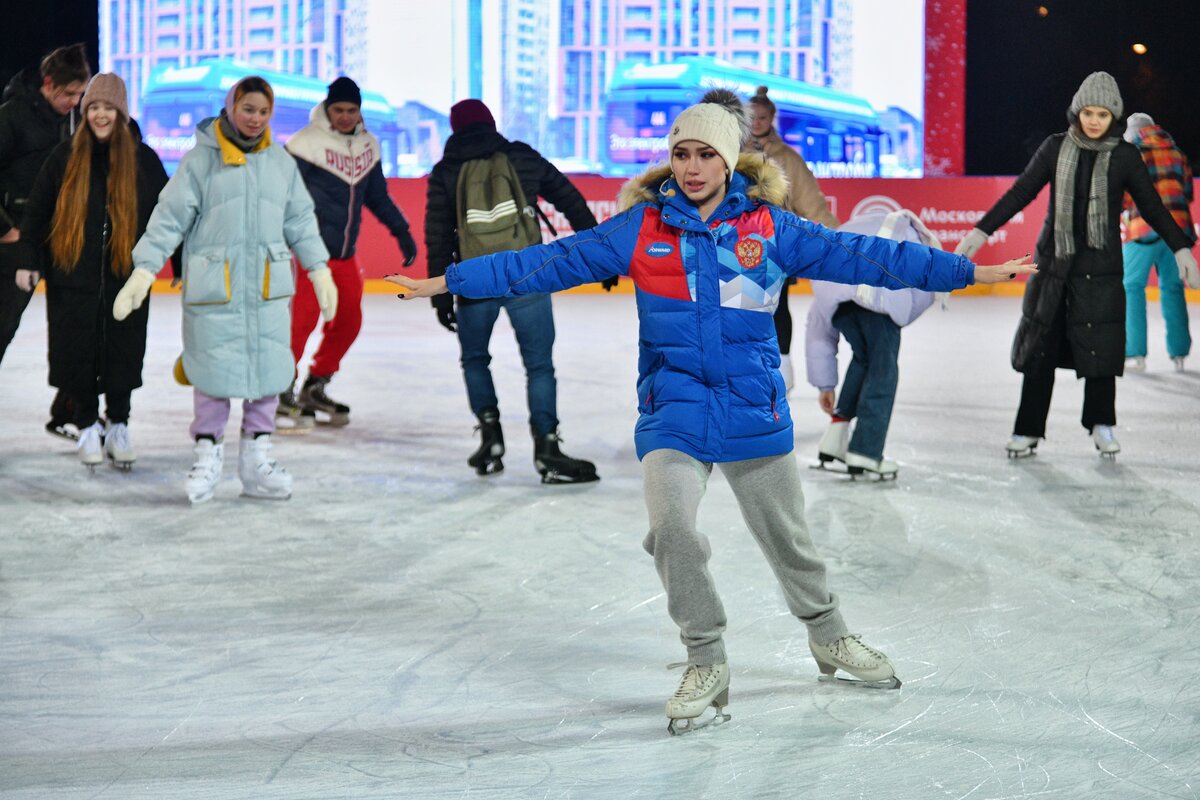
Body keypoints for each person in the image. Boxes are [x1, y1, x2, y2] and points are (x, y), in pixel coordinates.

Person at [388, 89, 1034, 733]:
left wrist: (971, 272)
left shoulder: (771, 230)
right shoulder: (641, 230)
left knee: (791, 545)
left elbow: (875, 258)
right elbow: (547, 260)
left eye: (704, 155)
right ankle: (705, 658)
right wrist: (450, 279)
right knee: (671, 529)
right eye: (680, 155)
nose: (692, 167)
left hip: (752, 408)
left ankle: (829, 636)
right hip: (675, 407)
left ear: (729, 163)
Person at [113, 76, 337, 504]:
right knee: (212, 377)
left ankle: (257, 460)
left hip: (268, 290)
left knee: (268, 375)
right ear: (231, 107)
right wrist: (144, 271)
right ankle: (207, 455)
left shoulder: (280, 163)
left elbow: (301, 222)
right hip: (216, 288)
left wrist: (319, 269)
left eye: (264, 112)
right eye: (248, 109)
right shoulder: (200, 162)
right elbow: (168, 219)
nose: (255, 119)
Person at [956, 72, 1197, 458]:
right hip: (1054, 266)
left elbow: (1152, 206)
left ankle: (1102, 424)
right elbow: (1022, 191)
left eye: (1103, 114)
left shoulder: (1124, 156)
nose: (1095, 121)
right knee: (1040, 350)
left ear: (1113, 115)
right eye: (1088, 112)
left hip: (1100, 270)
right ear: (1077, 111)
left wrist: (1182, 248)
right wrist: (982, 230)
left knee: (1101, 350)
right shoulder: (1055, 148)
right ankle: (1027, 429)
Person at [424, 98, 605, 483]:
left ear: (455, 128)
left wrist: (441, 294)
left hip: (474, 281)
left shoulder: (446, 170)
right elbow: (568, 197)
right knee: (539, 365)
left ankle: (491, 438)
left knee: (475, 360)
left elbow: (437, 235)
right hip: (528, 276)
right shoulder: (520, 155)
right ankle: (547, 447)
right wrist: (598, 254)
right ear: (491, 122)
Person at [13, 73, 172, 469]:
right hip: (73, 276)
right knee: (76, 350)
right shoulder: (64, 157)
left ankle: (118, 424)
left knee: (123, 349)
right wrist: (27, 260)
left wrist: (180, 261)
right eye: (94, 107)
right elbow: (37, 213)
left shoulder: (143, 159)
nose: (101, 115)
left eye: (109, 108)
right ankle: (86, 425)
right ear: (85, 113)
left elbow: (168, 216)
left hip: (125, 276)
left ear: (122, 113)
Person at [280, 76, 419, 430]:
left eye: (351, 110)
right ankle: (279, 390)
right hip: (308, 253)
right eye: (338, 110)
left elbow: (377, 195)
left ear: (359, 111)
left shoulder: (368, 146)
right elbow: (281, 194)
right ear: (327, 109)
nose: (344, 117)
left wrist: (401, 230)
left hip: (344, 254)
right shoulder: (305, 144)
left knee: (348, 321)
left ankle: (316, 384)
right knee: (300, 323)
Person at [806, 209, 944, 479]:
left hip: (838, 301)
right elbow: (924, 288)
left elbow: (817, 328)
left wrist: (826, 384)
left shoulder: (847, 235)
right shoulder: (914, 238)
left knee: (864, 358)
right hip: (881, 297)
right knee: (883, 370)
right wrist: (898, 317)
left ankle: (835, 437)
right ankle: (866, 452)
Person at [0, 43, 90, 439]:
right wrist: (6, 229)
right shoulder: (12, 116)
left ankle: (69, 407)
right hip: (16, 240)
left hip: (61, 236)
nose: (74, 102)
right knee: (2, 327)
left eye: (80, 95)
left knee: (78, 322)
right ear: (48, 83)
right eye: (68, 93)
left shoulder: (73, 121)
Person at [744, 85, 839, 392]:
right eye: (752, 117)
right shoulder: (730, 155)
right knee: (740, 305)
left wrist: (838, 240)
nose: (757, 122)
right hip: (735, 244)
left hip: (774, 246)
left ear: (771, 118)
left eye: (762, 116)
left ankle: (782, 366)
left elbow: (811, 203)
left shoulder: (788, 159)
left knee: (777, 305)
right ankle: (744, 368)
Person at [1120, 112, 1197, 372]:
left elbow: (1125, 197)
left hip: (1144, 227)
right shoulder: (1178, 154)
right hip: (1177, 232)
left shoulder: (1133, 153)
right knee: (1173, 288)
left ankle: (1135, 353)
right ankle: (1179, 355)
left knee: (1131, 286)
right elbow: (1187, 194)